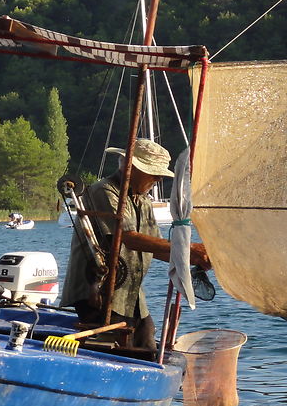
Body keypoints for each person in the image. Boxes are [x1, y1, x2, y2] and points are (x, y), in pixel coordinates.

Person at [60, 138, 210, 351]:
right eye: (153, 173)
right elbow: (125, 237)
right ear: (132, 168)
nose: (158, 179)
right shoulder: (105, 191)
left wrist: (189, 257)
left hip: (130, 296)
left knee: (147, 342)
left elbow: (156, 247)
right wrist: (186, 249)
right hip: (99, 293)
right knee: (113, 351)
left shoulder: (143, 200)